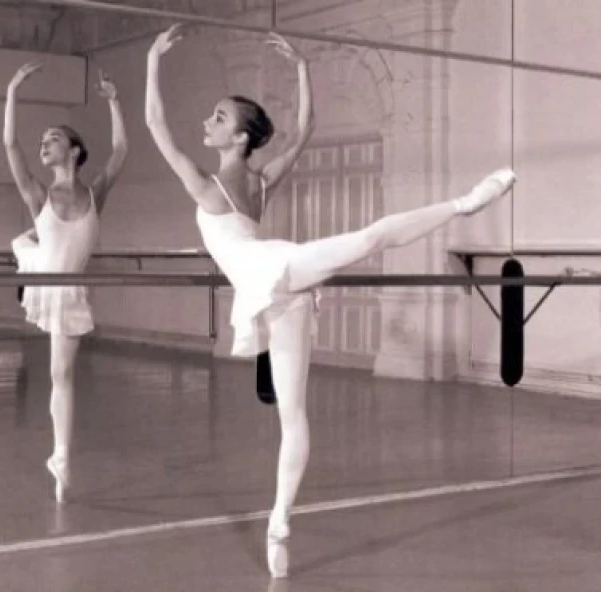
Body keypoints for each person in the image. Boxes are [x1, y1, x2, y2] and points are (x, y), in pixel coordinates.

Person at [145, 24, 516, 578]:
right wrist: (298, 68)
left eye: (220, 117)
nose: (208, 120)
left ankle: (466, 203)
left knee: (368, 241)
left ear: (242, 139)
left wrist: (153, 61)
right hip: (274, 289)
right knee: (291, 416)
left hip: (276, 269)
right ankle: (279, 526)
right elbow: (306, 128)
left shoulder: (227, 184)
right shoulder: (244, 182)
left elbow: (158, 125)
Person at [4, 64, 128, 503]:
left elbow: (120, 151)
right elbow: (10, 145)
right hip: (46, 278)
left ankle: (61, 456)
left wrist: (114, 99)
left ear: (74, 151)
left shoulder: (95, 193)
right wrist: (13, 92)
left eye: (54, 138)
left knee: (62, 374)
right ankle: (28, 247)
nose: (45, 144)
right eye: (44, 141)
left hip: (70, 289)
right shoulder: (38, 193)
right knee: (25, 244)